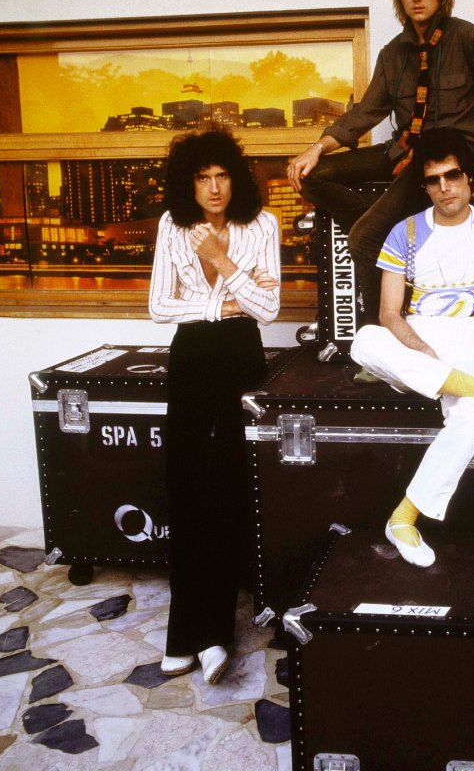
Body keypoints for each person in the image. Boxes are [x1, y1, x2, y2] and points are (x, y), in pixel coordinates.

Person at [287, 0, 474, 326]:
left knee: (363, 239)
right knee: (315, 175)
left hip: (437, 166)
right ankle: (388, 226)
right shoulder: (392, 53)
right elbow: (367, 111)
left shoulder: (470, 40)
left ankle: (374, 337)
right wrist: (317, 148)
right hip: (400, 151)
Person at [349, 128, 474, 567]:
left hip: (467, 335)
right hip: (413, 342)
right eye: (433, 179)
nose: (444, 188)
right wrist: (421, 351)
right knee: (363, 342)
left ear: (471, 176)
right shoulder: (404, 232)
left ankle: (403, 517)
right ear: (424, 185)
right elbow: (388, 314)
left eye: (453, 175)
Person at [149, 127, 281, 684]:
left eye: (221, 174)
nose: (213, 187)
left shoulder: (263, 224)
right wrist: (225, 304)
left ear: (236, 177)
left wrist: (222, 264)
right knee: (186, 487)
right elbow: (158, 305)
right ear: (189, 183)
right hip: (192, 358)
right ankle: (186, 632)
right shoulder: (171, 226)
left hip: (240, 358)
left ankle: (218, 635)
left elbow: (269, 308)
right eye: (202, 177)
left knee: (227, 488)